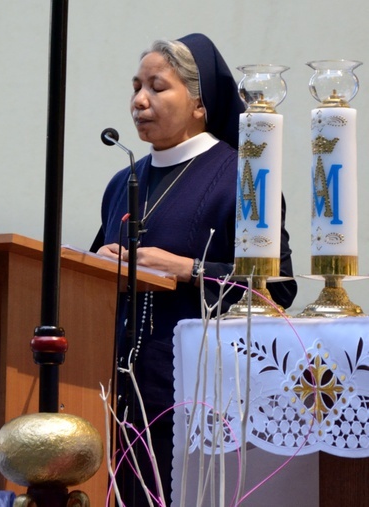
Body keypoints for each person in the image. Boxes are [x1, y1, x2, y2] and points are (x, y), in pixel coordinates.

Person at [91, 33, 297, 505]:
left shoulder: (244, 176)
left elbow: (280, 288)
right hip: (114, 389)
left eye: (157, 87)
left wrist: (189, 268)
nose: (139, 100)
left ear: (200, 103)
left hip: (196, 394)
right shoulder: (123, 180)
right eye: (136, 86)